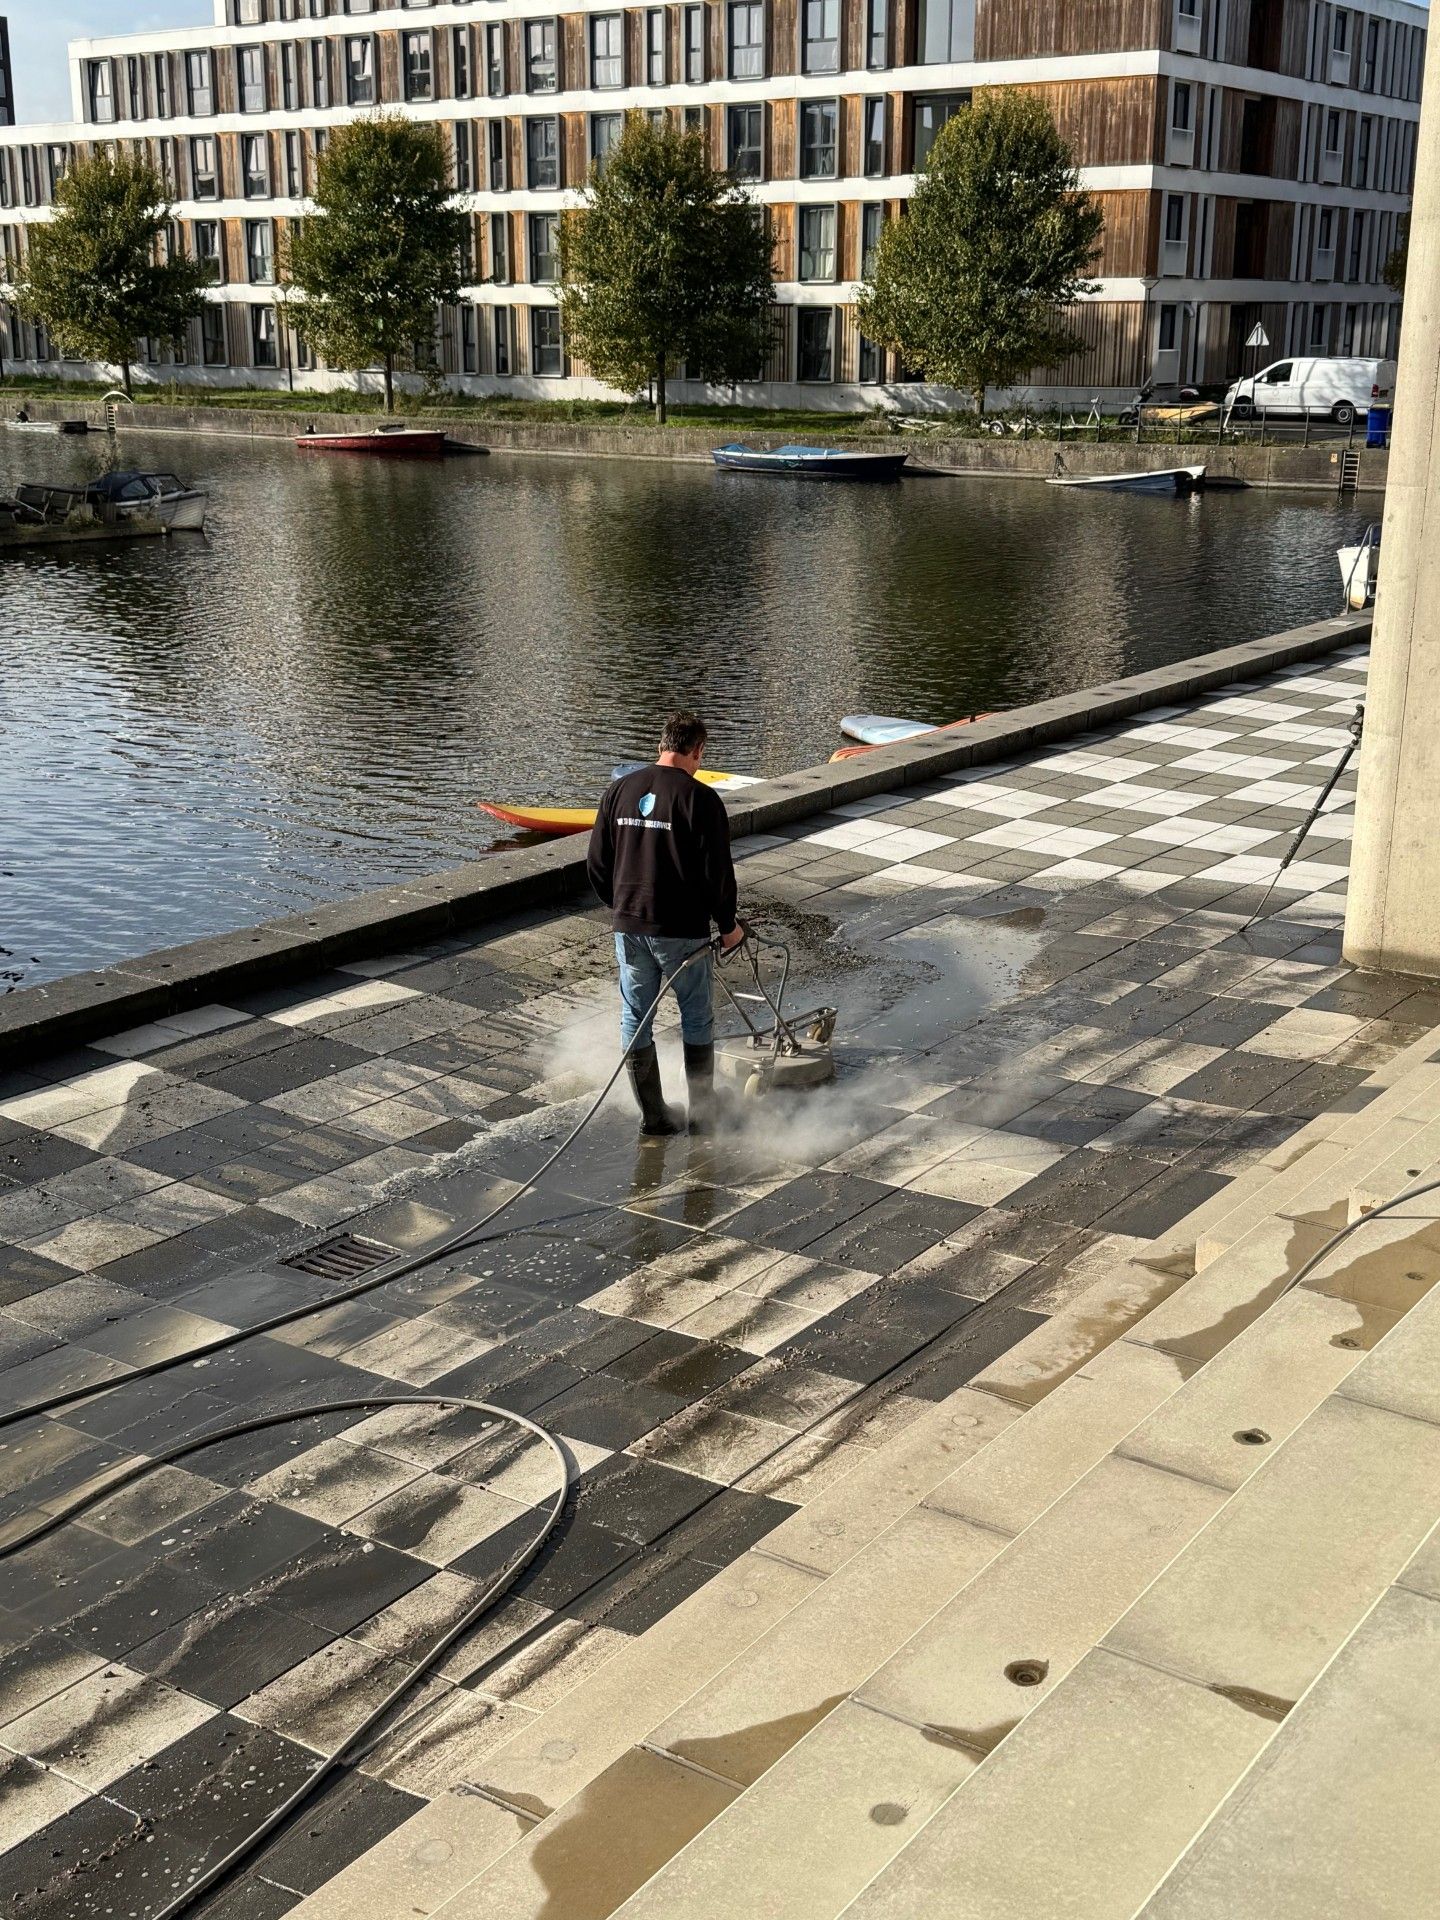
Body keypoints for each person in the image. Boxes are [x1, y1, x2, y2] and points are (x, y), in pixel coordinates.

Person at [587, 711, 745, 1136]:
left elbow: (597, 864)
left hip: (630, 926)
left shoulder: (619, 790)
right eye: (700, 757)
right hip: (683, 932)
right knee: (696, 1018)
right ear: (697, 751)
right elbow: (718, 874)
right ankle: (702, 1116)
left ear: (661, 745)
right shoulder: (701, 799)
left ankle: (653, 1116)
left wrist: (623, 906)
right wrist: (728, 925)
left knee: (635, 1017)